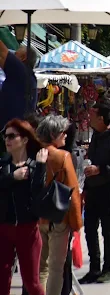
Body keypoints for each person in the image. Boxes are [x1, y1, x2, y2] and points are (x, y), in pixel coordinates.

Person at [80, 102, 110, 284]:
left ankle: (107, 269)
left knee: (107, 231)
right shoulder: (96, 136)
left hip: (109, 190)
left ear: (101, 118)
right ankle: (94, 268)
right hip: (92, 189)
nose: (89, 117)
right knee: (90, 229)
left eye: (93, 114)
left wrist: (101, 169)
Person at [35, 116, 83, 295]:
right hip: (59, 218)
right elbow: (73, 191)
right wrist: (77, 223)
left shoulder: (33, 153)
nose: (66, 136)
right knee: (56, 268)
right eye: (63, 132)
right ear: (54, 134)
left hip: (38, 217)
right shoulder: (62, 156)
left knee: (40, 267)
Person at [0, 119, 48, 295]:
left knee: (32, 282)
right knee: (2, 279)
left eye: (12, 136)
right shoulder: (3, 164)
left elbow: (38, 193)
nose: (7, 140)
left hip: (28, 229)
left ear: (25, 139)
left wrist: (41, 165)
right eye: (5, 136)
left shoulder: (35, 165)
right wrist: (13, 177)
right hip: (3, 227)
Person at [0, 41, 38, 131]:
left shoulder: (21, 70)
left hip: (12, 131)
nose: (13, 55)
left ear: (23, 58)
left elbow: (2, 53)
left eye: (15, 54)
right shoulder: (28, 76)